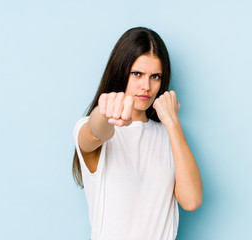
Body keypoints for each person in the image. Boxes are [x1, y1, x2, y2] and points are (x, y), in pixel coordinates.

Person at [71, 27, 203, 240]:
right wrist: (106, 112)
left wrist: (172, 122)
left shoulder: (169, 136)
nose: (146, 86)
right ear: (121, 71)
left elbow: (192, 201)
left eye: (155, 77)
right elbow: (96, 133)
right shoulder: (89, 126)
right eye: (137, 74)